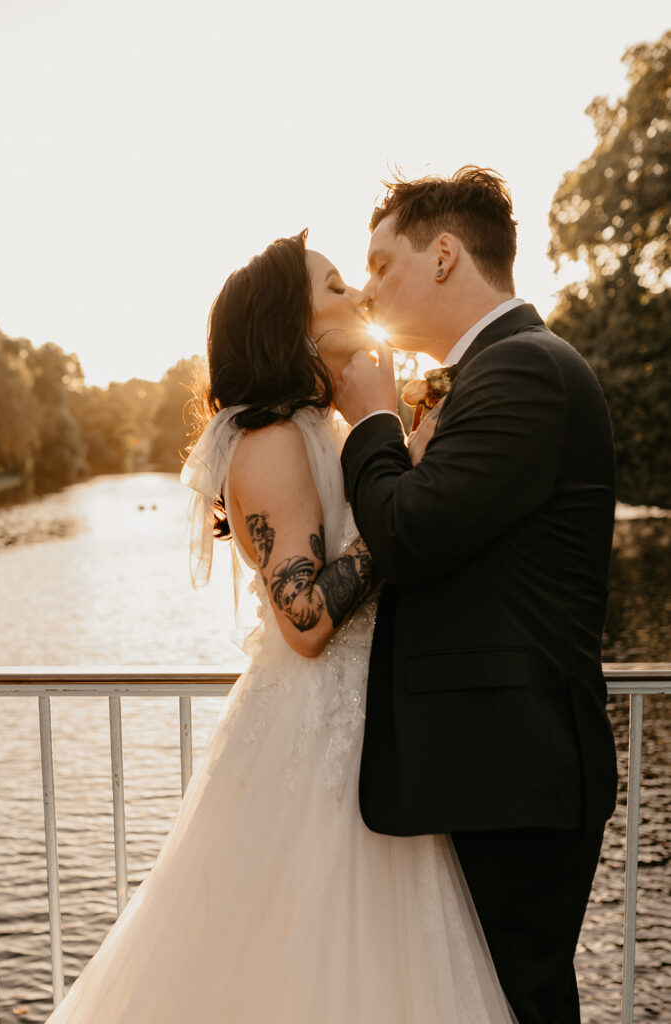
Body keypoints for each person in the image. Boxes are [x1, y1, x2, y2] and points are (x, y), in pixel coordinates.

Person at [44, 230, 516, 1023]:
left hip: (371, 738)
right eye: (335, 287)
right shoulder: (267, 441)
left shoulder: (327, 430)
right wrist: (400, 518)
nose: (358, 297)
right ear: (291, 325)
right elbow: (303, 620)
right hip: (312, 745)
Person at [334, 167, 618, 1024]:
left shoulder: (524, 369)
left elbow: (409, 535)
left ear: (446, 255)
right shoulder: (498, 372)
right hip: (488, 769)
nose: (369, 287)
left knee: (513, 1004)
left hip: (512, 772)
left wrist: (374, 424)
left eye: (382, 265)